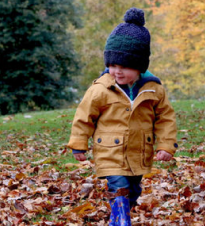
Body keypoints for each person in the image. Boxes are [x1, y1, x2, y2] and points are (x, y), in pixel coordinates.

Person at [67, 7, 178, 226]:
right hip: (109, 151)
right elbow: (84, 116)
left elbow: (165, 118)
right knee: (119, 187)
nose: (117, 71)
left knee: (134, 190)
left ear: (139, 67)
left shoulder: (153, 89)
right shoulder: (101, 89)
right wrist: (79, 144)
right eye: (112, 65)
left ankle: (122, 214)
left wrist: (166, 145)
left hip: (139, 153)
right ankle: (120, 221)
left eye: (125, 67)